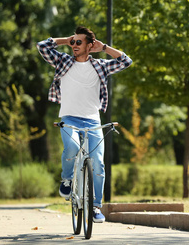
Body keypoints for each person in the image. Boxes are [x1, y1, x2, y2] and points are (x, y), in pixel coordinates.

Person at [37, 26, 132, 223]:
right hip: (69, 118)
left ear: (90, 46)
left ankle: (96, 206)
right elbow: (43, 46)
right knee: (71, 147)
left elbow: (126, 61)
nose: (74, 45)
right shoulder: (63, 61)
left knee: (98, 162)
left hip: (92, 120)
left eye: (79, 42)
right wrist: (66, 39)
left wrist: (104, 47)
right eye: (74, 42)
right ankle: (67, 178)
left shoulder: (100, 65)